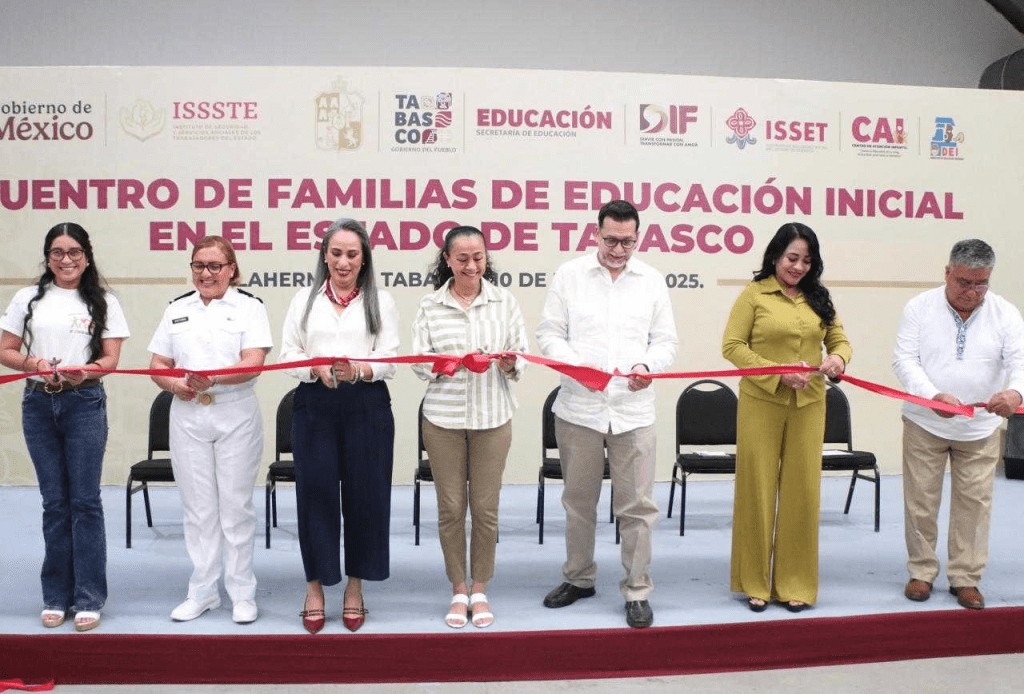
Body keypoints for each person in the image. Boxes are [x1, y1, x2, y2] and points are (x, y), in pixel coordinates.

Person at [535, 199, 677, 629]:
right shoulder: (569, 275)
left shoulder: (651, 280)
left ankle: (637, 590)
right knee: (579, 503)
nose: (618, 249)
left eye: (627, 242)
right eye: (611, 240)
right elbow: (548, 334)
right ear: (595, 234)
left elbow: (665, 341)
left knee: (636, 506)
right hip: (579, 408)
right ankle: (579, 578)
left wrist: (647, 368)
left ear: (638, 237)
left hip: (633, 412)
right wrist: (577, 367)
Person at [0, 222, 130, 632]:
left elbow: (110, 361)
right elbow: (6, 350)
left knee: (85, 502)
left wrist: (83, 373)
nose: (66, 259)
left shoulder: (104, 301)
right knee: (55, 503)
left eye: (74, 251)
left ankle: (89, 596)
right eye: (57, 252)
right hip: (38, 404)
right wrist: (33, 364)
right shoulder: (28, 298)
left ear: (87, 256)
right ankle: (56, 594)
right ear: (48, 257)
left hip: (84, 404)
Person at [722, 222, 852, 613]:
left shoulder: (819, 298)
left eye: (807, 261)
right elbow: (732, 346)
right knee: (757, 490)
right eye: (792, 258)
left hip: (810, 404)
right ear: (775, 256)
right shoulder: (754, 295)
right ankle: (755, 582)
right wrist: (777, 372)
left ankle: (795, 581)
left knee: (802, 493)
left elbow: (840, 341)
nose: (798, 267)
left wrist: (837, 358)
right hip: (761, 402)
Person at [280, 217, 400, 633]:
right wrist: (314, 367)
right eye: (336, 253)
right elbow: (289, 353)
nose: (343, 262)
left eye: (352, 254)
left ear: (364, 258)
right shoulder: (304, 299)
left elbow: (391, 356)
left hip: (367, 405)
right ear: (324, 255)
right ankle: (315, 586)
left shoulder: (380, 301)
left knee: (366, 499)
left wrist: (362, 370)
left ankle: (354, 586)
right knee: (316, 497)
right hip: (314, 406)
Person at [893, 239, 1024, 610]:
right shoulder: (918, 308)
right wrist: (931, 395)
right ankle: (921, 571)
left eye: (981, 283)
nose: (972, 292)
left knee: (975, 504)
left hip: (980, 429)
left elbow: (1020, 362)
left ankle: (965, 578)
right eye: (964, 282)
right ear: (947, 272)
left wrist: (1015, 392)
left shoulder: (1007, 314)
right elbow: (904, 361)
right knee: (920, 501)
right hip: (924, 422)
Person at [147, 236, 272, 624]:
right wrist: (174, 385)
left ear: (232, 268)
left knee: (235, 507)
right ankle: (202, 591)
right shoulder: (177, 309)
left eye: (215, 266)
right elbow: (157, 363)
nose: (206, 273)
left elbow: (253, 363)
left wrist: (213, 378)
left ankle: (241, 593)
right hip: (187, 414)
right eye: (198, 265)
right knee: (198, 510)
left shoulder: (250, 308)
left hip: (234, 413)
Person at [411, 225, 528, 629]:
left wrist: (509, 362)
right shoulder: (430, 305)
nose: (472, 265)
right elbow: (418, 362)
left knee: (485, 508)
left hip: (493, 419)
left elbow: (522, 355)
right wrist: (447, 363)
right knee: (450, 509)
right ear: (446, 260)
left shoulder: (504, 301)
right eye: (462, 258)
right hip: (442, 421)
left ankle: (480, 587)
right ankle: (458, 588)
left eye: (478, 257)